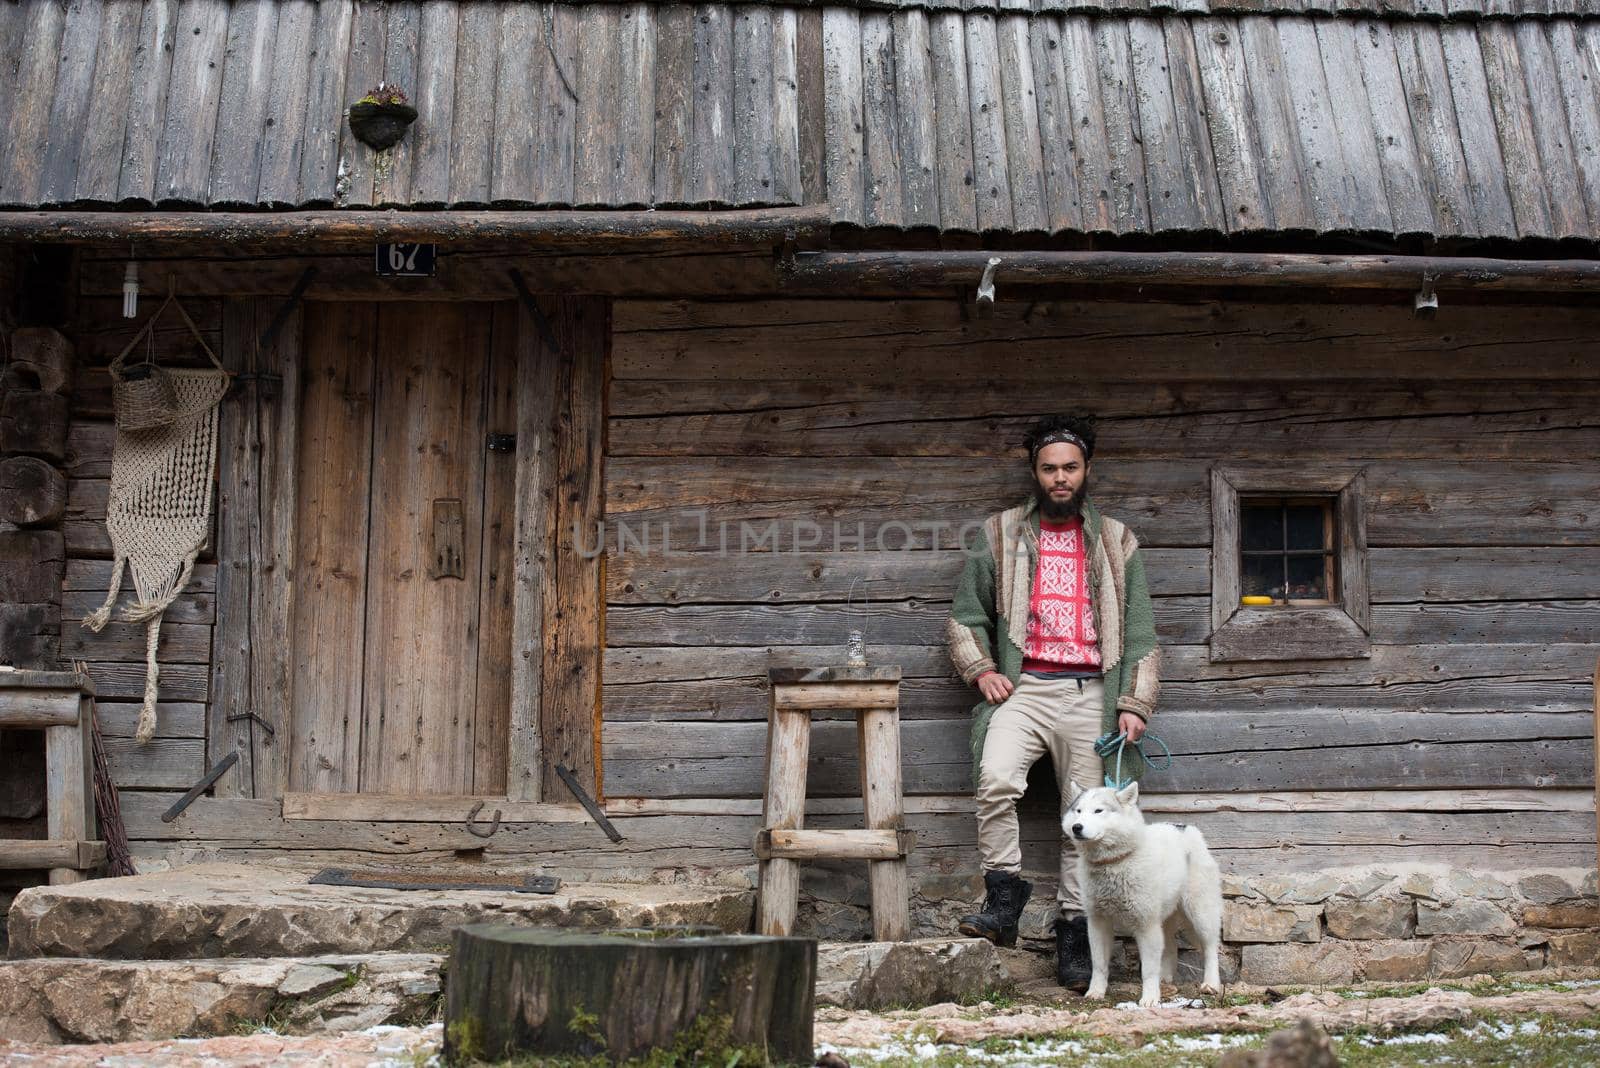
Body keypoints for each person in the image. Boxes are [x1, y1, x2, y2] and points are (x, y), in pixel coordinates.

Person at [945, 413, 1162, 990]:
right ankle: (1003, 900)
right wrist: (982, 669)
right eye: (1049, 469)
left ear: (1087, 469)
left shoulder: (1117, 541)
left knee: (1081, 814)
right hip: (1026, 686)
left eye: (1070, 467)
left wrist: (1134, 704)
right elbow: (965, 617)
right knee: (994, 778)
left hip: (1092, 689)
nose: (1060, 478)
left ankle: (1074, 935)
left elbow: (1140, 635)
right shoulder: (998, 534)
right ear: (1034, 473)